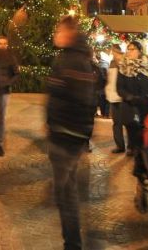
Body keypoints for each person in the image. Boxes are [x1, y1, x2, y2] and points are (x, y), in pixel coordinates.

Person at [46, 15, 97, 250]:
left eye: (58, 30)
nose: (55, 34)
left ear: (68, 33)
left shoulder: (72, 60)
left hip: (66, 133)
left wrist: (56, 122)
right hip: (70, 133)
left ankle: (73, 243)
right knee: (67, 190)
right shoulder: (74, 56)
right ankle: (72, 241)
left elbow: (80, 97)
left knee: (65, 194)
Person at [117, 40, 148, 160]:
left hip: (147, 105)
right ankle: (134, 150)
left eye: (132, 49)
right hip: (131, 105)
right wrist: (130, 97)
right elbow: (119, 87)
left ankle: (144, 150)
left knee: (146, 129)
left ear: (140, 50)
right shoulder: (123, 65)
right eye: (128, 49)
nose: (129, 52)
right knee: (133, 128)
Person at [0, 34, 20, 156]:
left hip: (4, 92)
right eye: (0, 43)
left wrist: (8, 82)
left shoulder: (11, 57)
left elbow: (16, 74)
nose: (2, 46)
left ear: (7, 44)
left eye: (4, 43)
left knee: (1, 118)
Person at [104, 44, 127, 154]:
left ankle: (131, 147)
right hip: (113, 98)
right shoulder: (112, 63)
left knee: (127, 123)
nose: (112, 54)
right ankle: (120, 146)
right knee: (117, 123)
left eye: (113, 51)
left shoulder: (125, 62)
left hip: (123, 98)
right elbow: (110, 81)